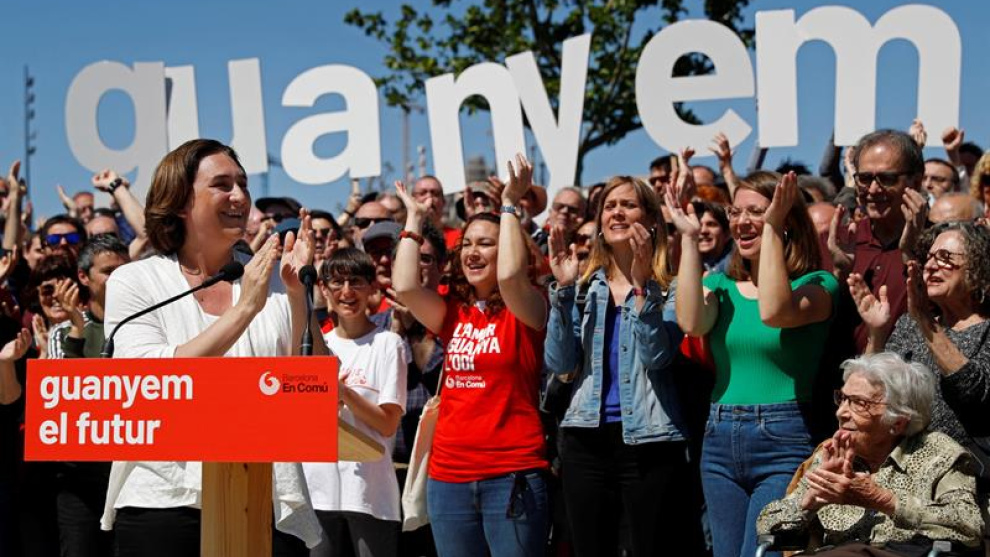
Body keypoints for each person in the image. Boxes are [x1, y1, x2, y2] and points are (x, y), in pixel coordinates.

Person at [101, 139, 321, 556]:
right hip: (163, 500)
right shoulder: (135, 281)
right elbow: (148, 380)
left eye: (243, 184)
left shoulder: (275, 280)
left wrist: (297, 296)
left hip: (266, 499)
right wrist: (245, 308)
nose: (240, 196)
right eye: (222, 184)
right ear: (180, 201)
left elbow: (315, 388)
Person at [669, 171, 840, 557]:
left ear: (786, 219)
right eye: (735, 212)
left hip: (784, 440)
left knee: (762, 553)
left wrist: (772, 228)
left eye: (757, 212)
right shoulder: (721, 287)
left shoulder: (818, 285)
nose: (742, 221)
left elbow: (775, 311)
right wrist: (689, 238)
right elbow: (691, 323)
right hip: (719, 437)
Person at [393, 154, 549, 557]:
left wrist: (509, 205)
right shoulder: (453, 311)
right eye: (467, 244)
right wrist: (414, 221)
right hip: (449, 477)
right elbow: (405, 286)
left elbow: (510, 276)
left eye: (486, 243)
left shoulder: (528, 307)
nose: (472, 252)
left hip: (511, 474)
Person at [544, 175, 701, 556]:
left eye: (628, 205)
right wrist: (562, 292)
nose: (616, 212)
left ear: (650, 220)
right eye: (609, 206)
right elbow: (560, 362)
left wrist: (642, 288)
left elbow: (656, 357)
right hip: (584, 439)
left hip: (650, 442)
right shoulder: (583, 288)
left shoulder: (671, 288)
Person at [757, 352, 984, 556]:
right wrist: (807, 504)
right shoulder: (832, 454)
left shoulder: (940, 454)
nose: (841, 412)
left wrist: (885, 501)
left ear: (898, 422)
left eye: (859, 403)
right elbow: (766, 527)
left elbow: (969, 526)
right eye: (842, 398)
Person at [850, 221, 990, 461]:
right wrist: (877, 333)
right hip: (900, 463)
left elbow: (972, 392)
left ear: (978, 267)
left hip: (963, 468)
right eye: (929, 257)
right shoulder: (910, 323)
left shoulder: (983, 328)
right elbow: (872, 389)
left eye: (945, 258)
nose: (931, 266)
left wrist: (925, 320)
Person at [304, 248, 407, 557]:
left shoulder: (389, 344)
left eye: (356, 282)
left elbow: (388, 424)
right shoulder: (315, 347)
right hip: (318, 491)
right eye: (337, 282)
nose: (347, 292)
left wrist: (344, 393)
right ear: (323, 289)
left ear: (372, 287)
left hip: (370, 493)